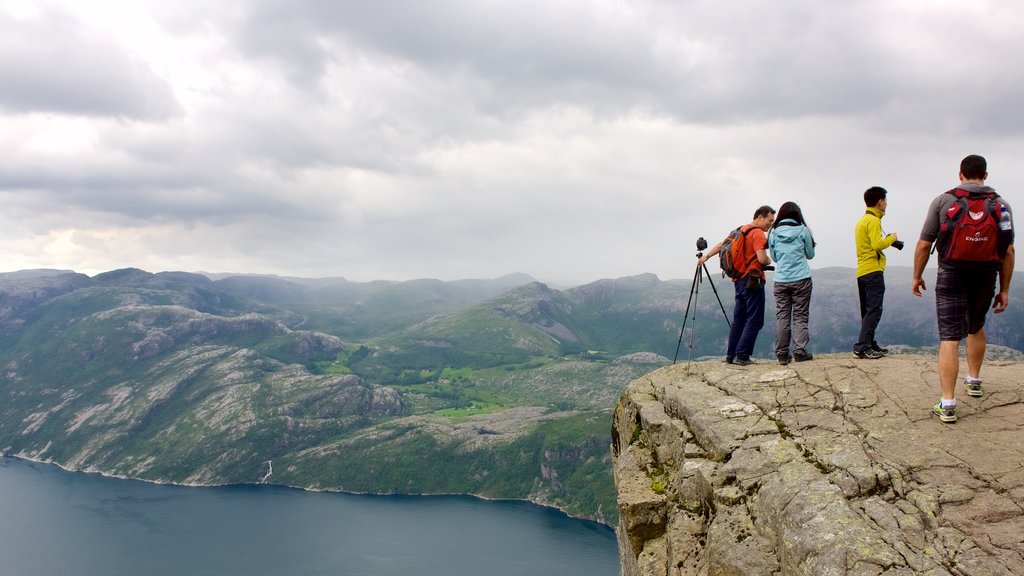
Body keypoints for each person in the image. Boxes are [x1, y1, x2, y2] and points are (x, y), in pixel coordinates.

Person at [912, 154, 1014, 423]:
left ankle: (947, 403)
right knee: (976, 326)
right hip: (985, 276)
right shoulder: (1001, 205)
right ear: (986, 175)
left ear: (960, 174)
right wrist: (1004, 289)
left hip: (951, 274)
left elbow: (924, 245)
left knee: (949, 337)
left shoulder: (943, 201)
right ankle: (975, 380)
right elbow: (1009, 250)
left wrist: (917, 276)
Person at [698, 205, 776, 365]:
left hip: (738, 280)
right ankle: (742, 356)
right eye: (769, 220)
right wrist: (769, 260)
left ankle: (730, 356)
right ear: (760, 217)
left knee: (738, 320)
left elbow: (722, 245)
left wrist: (706, 256)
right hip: (753, 280)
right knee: (755, 320)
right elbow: (762, 259)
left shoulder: (740, 230)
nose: (771, 225)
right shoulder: (758, 234)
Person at [853, 186, 899, 359]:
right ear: (880, 202)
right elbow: (877, 244)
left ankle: (870, 343)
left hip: (862, 271)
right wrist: (892, 238)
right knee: (874, 309)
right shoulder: (873, 221)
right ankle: (862, 347)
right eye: (885, 200)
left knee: (867, 310)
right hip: (873, 270)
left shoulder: (862, 220)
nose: (886, 204)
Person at [768, 201, 816, 365]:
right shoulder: (803, 231)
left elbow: (774, 257)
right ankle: (800, 352)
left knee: (782, 316)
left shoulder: (773, 232)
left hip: (781, 280)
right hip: (801, 278)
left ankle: (782, 354)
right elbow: (810, 254)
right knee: (800, 316)